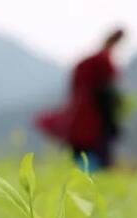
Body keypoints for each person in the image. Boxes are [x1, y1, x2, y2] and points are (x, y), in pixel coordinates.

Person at [35, 29, 126, 171]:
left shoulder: (87, 65)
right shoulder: (100, 63)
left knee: (82, 166)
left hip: (79, 128)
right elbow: (105, 94)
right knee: (95, 168)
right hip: (91, 130)